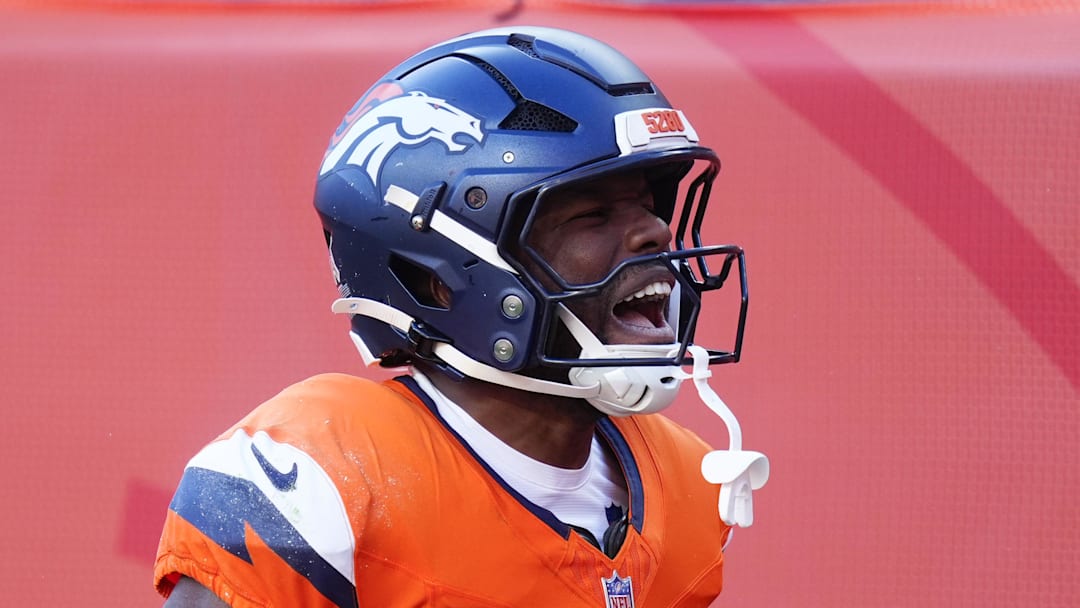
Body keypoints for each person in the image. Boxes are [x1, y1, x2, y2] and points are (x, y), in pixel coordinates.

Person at [154, 26, 768, 608]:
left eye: (647, 203)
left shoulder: (685, 486)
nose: (656, 233)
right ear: (437, 277)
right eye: (592, 214)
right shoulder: (318, 478)